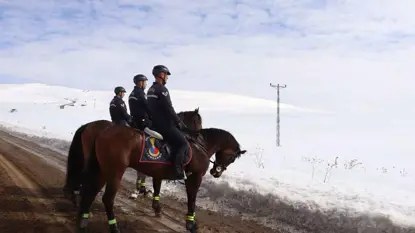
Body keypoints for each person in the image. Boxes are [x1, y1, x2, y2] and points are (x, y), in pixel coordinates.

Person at [147, 65, 187, 179]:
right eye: (166, 75)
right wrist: (178, 121)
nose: (167, 78)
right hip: (164, 125)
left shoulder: (150, 89)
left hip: (154, 124)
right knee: (183, 143)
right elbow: (169, 107)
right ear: (161, 75)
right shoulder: (162, 89)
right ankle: (177, 170)